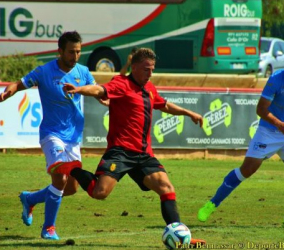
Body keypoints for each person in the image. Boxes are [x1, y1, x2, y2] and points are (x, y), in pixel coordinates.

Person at [51, 47, 206, 246]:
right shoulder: (122, 84)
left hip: (143, 155)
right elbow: (100, 89)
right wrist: (79, 89)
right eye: (146, 69)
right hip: (120, 152)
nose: (150, 74)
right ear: (133, 67)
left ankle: (181, 235)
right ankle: (72, 168)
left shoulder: (149, 88)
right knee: (100, 193)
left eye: (152, 69)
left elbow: (164, 104)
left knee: (166, 188)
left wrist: (188, 113)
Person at [197, 44, 284, 230]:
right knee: (247, 170)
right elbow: (261, 109)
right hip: (269, 130)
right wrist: (279, 124)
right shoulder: (276, 79)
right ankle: (212, 203)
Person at [0, 31, 100, 240]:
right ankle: (48, 228)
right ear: (60, 51)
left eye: (78, 52)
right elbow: (18, 83)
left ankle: (30, 198)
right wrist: (8, 92)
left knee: (70, 188)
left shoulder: (83, 71)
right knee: (60, 176)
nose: (75, 56)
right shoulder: (44, 71)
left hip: (73, 137)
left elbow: (96, 88)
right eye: (71, 52)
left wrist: (100, 97)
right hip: (52, 133)